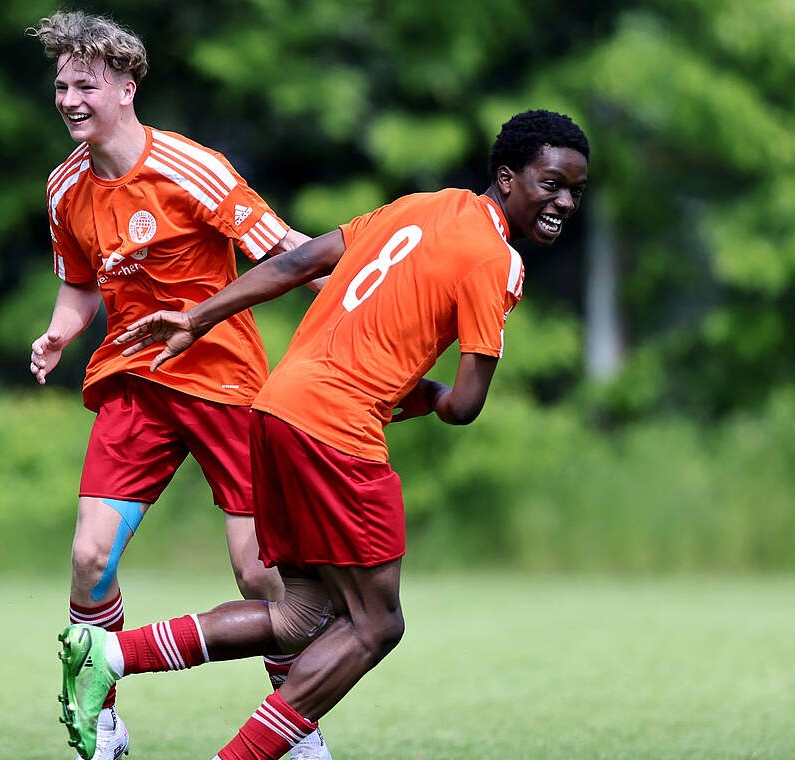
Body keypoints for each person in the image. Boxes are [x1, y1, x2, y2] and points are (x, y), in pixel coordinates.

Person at [56, 109, 590, 760]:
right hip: (337, 430)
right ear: (507, 178)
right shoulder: (497, 260)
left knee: (300, 616)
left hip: (276, 406)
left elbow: (301, 261)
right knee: (376, 624)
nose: (564, 200)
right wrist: (421, 394)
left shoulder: (421, 206)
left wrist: (197, 317)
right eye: (551, 182)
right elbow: (465, 406)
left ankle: (109, 650)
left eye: (575, 190)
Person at [25, 11, 330, 760]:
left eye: (85, 85)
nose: (69, 99)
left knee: (262, 577)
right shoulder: (65, 188)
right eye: (61, 85)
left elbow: (288, 252)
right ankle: (102, 718)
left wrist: (366, 302)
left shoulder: (192, 168)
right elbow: (79, 285)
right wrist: (62, 331)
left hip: (227, 384)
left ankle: (297, 733)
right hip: (135, 386)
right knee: (90, 557)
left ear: (126, 88)